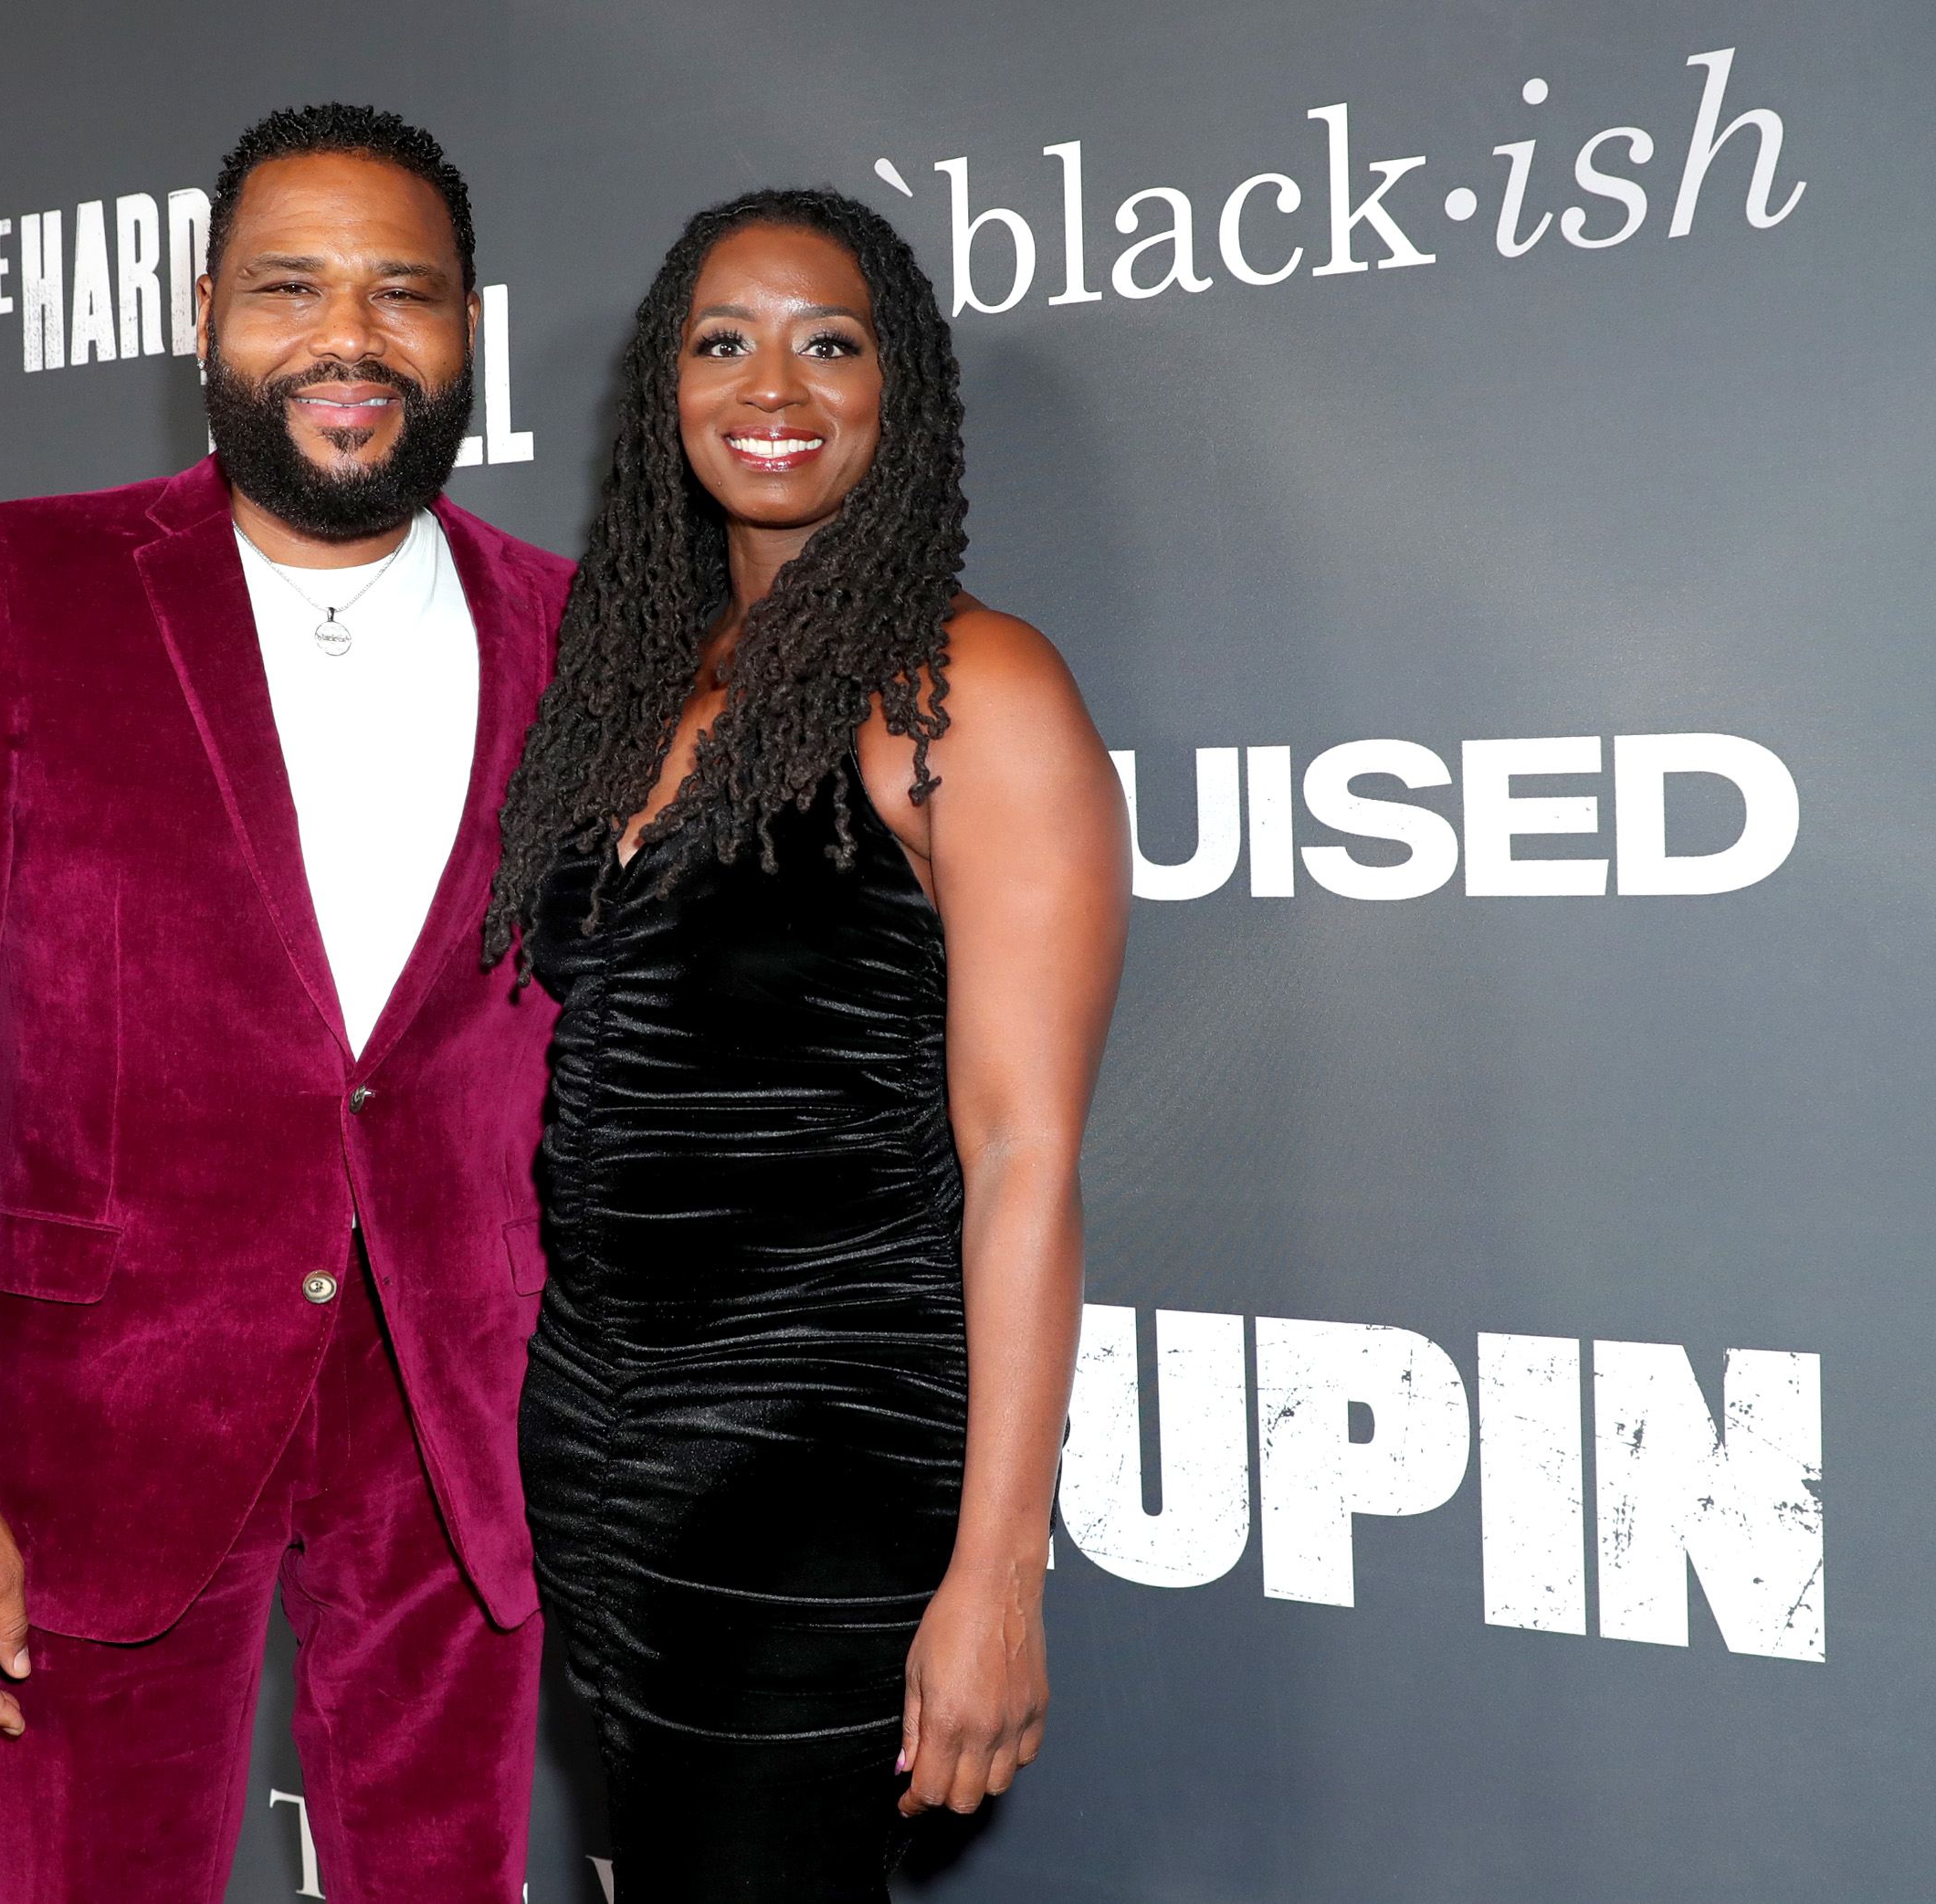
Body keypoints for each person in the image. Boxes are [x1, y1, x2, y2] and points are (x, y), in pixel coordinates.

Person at [0, 104, 573, 1903]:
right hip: (106, 1414)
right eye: (288, 287)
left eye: (400, 292)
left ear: (467, 328)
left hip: (463, 1427)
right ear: (200, 317)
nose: (347, 337)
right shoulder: (23, 583)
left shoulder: (568, 629)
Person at [483, 187, 1130, 1900]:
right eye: (723, 342)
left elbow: (1022, 1156)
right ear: (668, 390)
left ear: (893, 388)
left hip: (820, 1451)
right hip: (594, 1437)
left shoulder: (973, 691)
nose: (770, 386)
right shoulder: (633, 684)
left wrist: (997, 1575)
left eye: (826, 342)